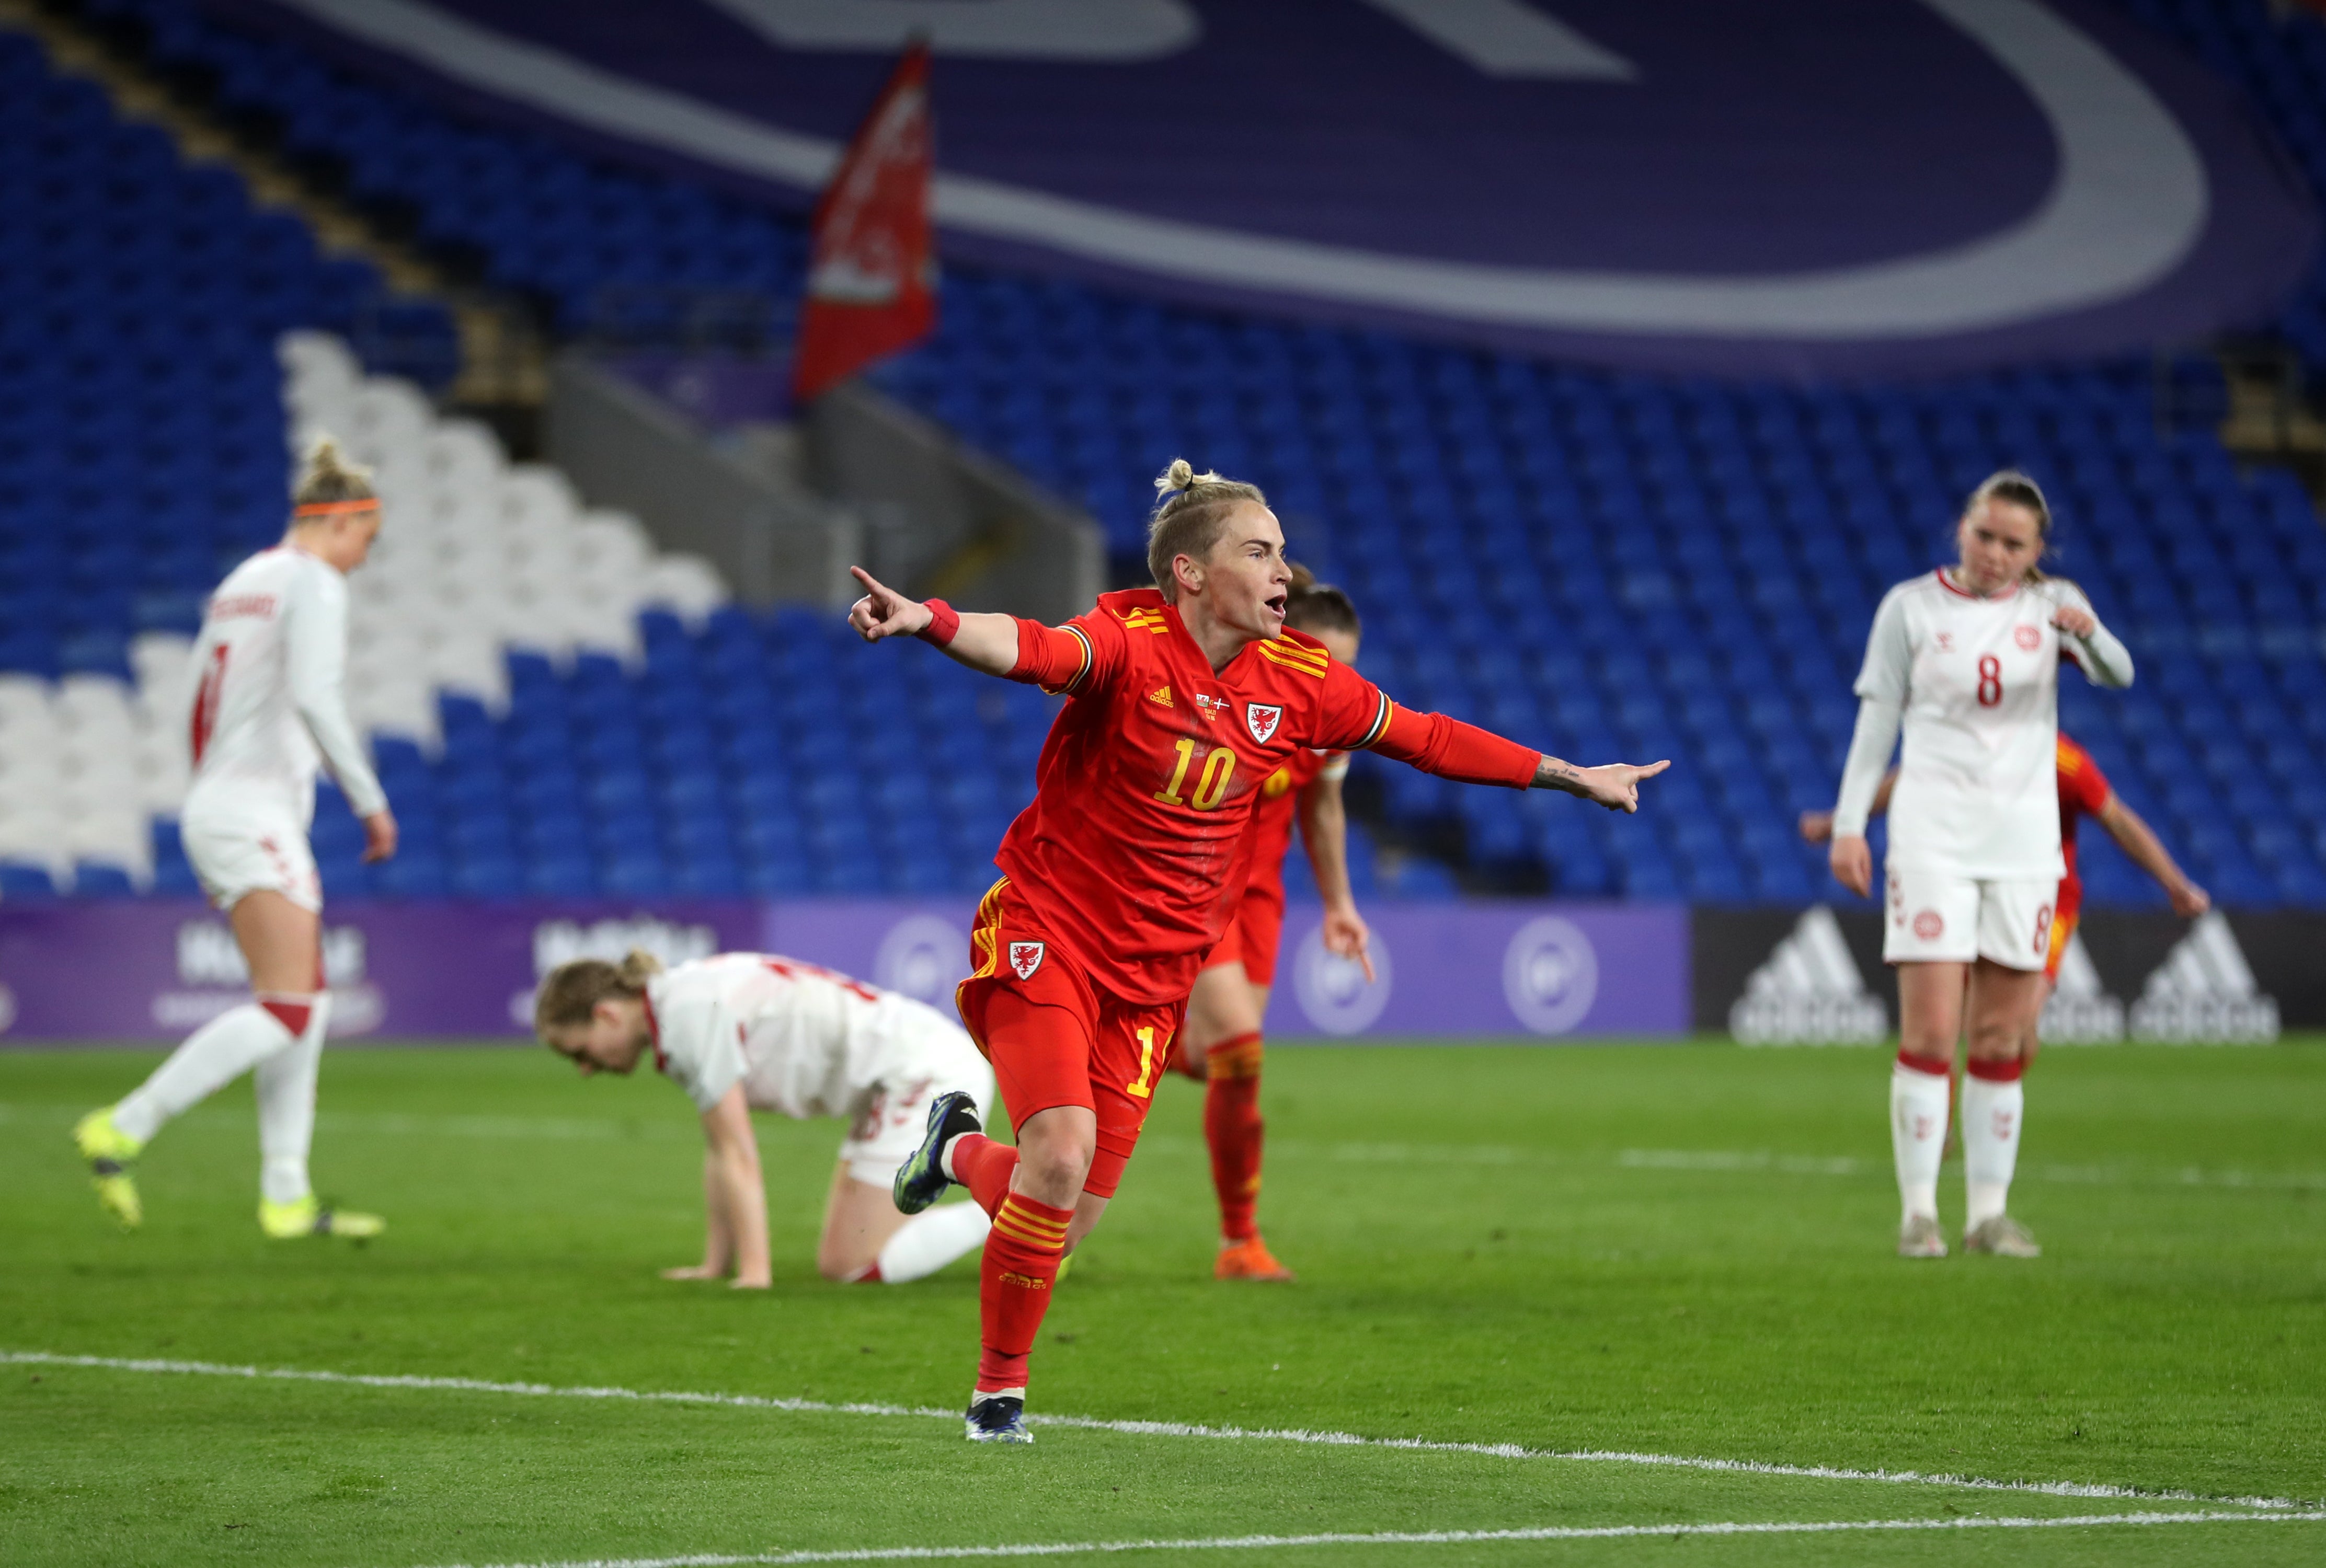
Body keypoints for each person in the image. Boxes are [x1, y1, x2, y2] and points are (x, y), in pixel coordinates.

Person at [854, 458, 1668, 1441]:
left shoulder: (1302, 682)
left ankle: (953, 1147)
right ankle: (998, 1398)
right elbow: (1023, 648)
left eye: (1281, 551)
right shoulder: (1126, 642)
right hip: (1049, 928)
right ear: (1191, 574)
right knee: (1059, 1157)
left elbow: (1425, 737)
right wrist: (930, 620)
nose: (1283, 569)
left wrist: (1568, 775)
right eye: (1259, 550)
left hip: (1155, 978)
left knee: (1058, 1224)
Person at [73, 438, 397, 1239]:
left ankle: (285, 1195)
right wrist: (370, 803)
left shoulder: (242, 580)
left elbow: (196, 702)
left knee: (304, 1004)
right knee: (290, 1005)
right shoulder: (315, 582)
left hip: (220, 800)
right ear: (344, 521)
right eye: (368, 540)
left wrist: (213, 792)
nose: (363, 559)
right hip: (253, 810)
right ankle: (123, 1127)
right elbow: (319, 698)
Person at [1828, 471, 2133, 1261]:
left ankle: (1988, 1217)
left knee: (2000, 1039)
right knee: (1930, 1030)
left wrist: (2089, 633)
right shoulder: (1910, 608)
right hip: (1932, 842)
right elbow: (1877, 721)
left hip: (2026, 852)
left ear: (2038, 551)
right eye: (1984, 535)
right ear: (1960, 530)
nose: (1995, 554)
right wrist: (1852, 825)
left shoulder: (2051, 606)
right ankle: (1919, 1213)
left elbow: (2118, 675)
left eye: (2014, 543)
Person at [534, 950, 998, 1287]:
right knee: (842, 1254)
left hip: (922, 1074)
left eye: (579, 1050)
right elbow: (718, 1148)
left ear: (607, 1014)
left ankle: (1014, 1213)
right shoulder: (678, 1003)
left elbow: (738, 1153)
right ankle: (1019, 1211)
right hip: (897, 1076)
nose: (585, 1069)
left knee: (850, 1266)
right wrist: (716, 1265)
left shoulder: (687, 1015)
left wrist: (755, 1274)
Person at [1169, 570, 1369, 1282]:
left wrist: (1340, 904)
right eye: (1320, 660)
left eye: (1344, 667)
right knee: (1242, 1049)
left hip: (1259, 898)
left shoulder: (1329, 719)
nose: (1331, 679)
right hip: (1197, 884)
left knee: (1220, 1063)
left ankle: (1122, 1046)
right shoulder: (1234, 692)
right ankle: (1239, 1242)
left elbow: (1322, 808)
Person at [1801, 732, 2208, 1063]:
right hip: (1960, 884)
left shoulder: (2062, 761)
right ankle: (1937, 1117)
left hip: (2041, 897)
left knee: (2014, 1024)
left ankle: (1992, 1107)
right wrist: (1842, 821)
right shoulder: (1962, 746)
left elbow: (2117, 820)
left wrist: (2173, 883)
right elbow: (1908, 778)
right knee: (1943, 1019)